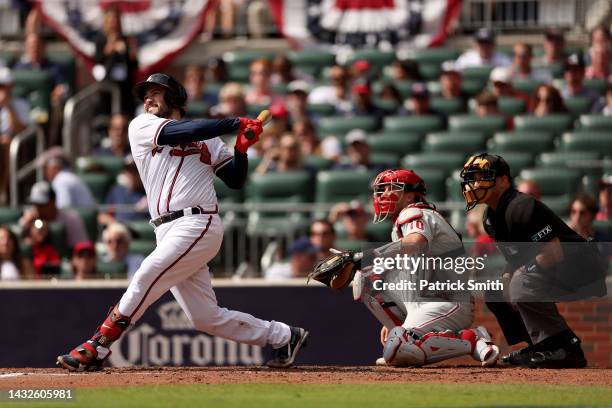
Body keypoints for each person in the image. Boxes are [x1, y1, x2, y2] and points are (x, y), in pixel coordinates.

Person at [56, 73, 308, 372]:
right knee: (205, 317)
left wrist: (241, 149)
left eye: (156, 92)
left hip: (198, 222)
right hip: (166, 229)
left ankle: (98, 345)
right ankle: (283, 336)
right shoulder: (142, 124)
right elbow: (181, 131)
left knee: (146, 273)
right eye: (146, 93)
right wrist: (233, 123)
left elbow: (235, 180)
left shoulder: (209, 139)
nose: (148, 98)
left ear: (174, 97)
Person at [460, 153, 607, 368]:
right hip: (555, 266)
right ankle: (541, 346)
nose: (474, 183)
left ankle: (567, 348)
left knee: (522, 283)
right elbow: (515, 258)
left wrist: (518, 276)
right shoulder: (490, 218)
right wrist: (508, 277)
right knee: (496, 290)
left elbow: (554, 251)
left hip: (582, 263)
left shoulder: (521, 205)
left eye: (482, 176)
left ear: (503, 180)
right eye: (472, 178)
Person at [345, 169, 500, 367]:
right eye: (381, 190)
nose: (382, 195)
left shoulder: (414, 212)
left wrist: (369, 255)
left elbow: (416, 241)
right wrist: (393, 323)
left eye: (390, 189)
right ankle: (403, 334)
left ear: (409, 195)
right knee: (366, 276)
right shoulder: (405, 219)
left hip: (447, 300)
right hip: (424, 297)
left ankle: (471, 340)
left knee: (397, 349)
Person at [93, 5, 138, 114]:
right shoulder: (101, 39)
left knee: (125, 113)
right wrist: (109, 49)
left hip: (125, 86)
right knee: (106, 113)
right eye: (110, 19)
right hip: (107, 86)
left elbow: (134, 65)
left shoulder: (126, 39)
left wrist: (131, 53)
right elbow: (97, 60)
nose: (113, 22)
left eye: (115, 19)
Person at [19, 181, 89, 249]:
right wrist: (26, 226)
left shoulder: (72, 220)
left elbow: (81, 248)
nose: (38, 208)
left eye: (42, 204)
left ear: (53, 201)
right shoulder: (30, 220)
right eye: (35, 204)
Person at [0, 67, 30, 204]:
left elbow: (20, 130)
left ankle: (2, 194)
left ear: (11, 87)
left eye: (4, 86)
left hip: (13, 145)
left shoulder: (21, 104)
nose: (2, 90)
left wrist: (8, 107)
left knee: (6, 142)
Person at [99, 161, 148, 226]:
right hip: (119, 230)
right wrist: (115, 224)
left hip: (140, 231)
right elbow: (102, 216)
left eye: (134, 172)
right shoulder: (116, 191)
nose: (131, 175)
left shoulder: (148, 193)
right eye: (128, 171)